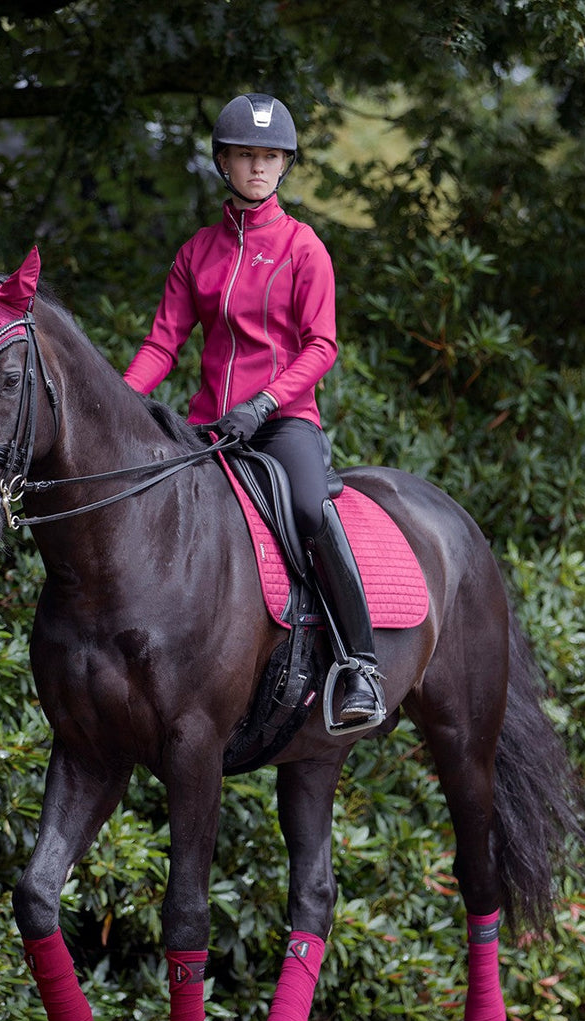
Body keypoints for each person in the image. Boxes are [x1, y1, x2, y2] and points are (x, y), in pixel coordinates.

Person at [124, 93, 383, 725]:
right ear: (224, 163)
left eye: (270, 156)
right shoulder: (196, 253)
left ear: (285, 164)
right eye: (246, 156)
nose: (258, 168)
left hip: (284, 421)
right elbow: (164, 342)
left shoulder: (303, 247)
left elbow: (322, 345)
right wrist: (121, 406)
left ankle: (361, 667)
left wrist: (266, 402)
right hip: (211, 424)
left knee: (308, 507)